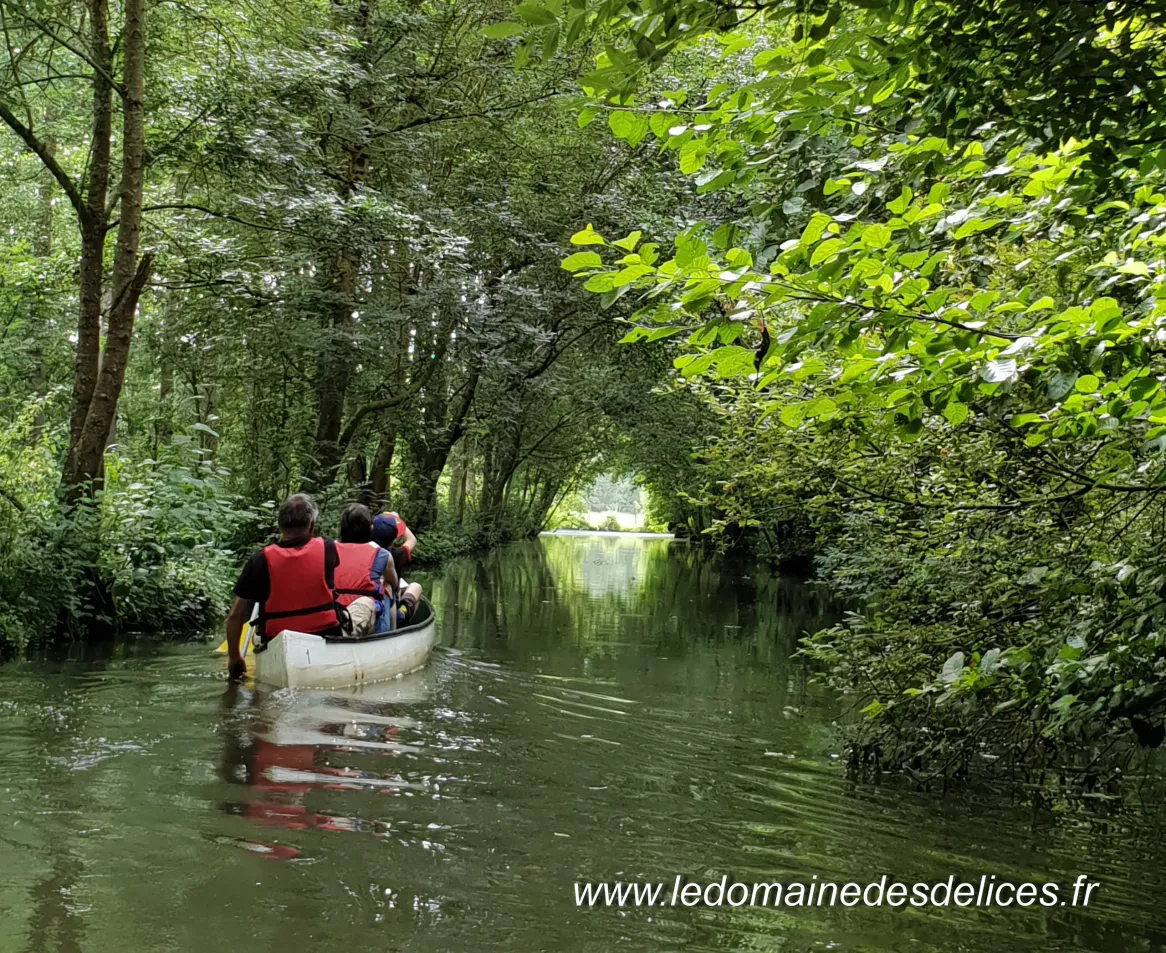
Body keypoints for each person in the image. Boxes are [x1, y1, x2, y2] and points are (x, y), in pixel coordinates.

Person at [225, 493, 344, 680]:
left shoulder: (259, 561)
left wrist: (234, 657)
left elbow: (235, 616)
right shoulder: (328, 548)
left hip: (276, 640)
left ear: (280, 526)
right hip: (324, 636)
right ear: (311, 526)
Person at [335, 503, 399, 635]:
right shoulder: (382, 554)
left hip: (336, 613)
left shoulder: (328, 550)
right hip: (371, 624)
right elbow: (395, 584)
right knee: (388, 586)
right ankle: (392, 634)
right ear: (370, 529)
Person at [371, 510, 423, 623]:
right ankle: (403, 614)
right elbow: (411, 539)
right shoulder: (398, 554)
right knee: (415, 586)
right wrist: (397, 520)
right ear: (394, 536)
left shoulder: (364, 551)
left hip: (371, 602)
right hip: (391, 605)